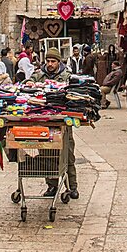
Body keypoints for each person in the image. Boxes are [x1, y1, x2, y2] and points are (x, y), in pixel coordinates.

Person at [27, 49, 77, 199]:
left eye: (53, 61)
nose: (50, 64)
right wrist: (29, 83)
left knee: (67, 154)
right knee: (47, 153)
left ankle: (72, 187)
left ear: (58, 62)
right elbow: (26, 84)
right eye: (48, 61)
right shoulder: (38, 75)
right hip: (44, 122)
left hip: (62, 122)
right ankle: (52, 186)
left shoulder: (67, 76)